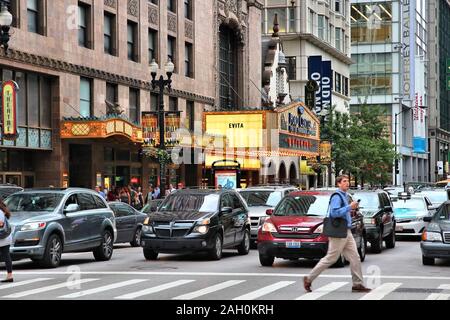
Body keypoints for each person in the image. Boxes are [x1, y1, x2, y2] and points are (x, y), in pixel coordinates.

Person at [303, 175, 371, 293]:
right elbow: (334, 213)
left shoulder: (344, 196)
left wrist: (351, 209)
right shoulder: (337, 196)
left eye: (348, 181)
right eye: (344, 181)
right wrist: (349, 207)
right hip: (339, 232)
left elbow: (343, 212)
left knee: (355, 257)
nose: (347, 183)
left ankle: (357, 284)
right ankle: (309, 279)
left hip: (346, 231)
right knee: (331, 258)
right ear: (338, 184)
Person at [0, 200, 13, 282]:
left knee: (6, 256)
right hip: (5, 238)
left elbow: (1, 223)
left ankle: (9, 275)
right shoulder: (3, 211)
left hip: (2, 238)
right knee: (6, 256)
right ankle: (9, 275)